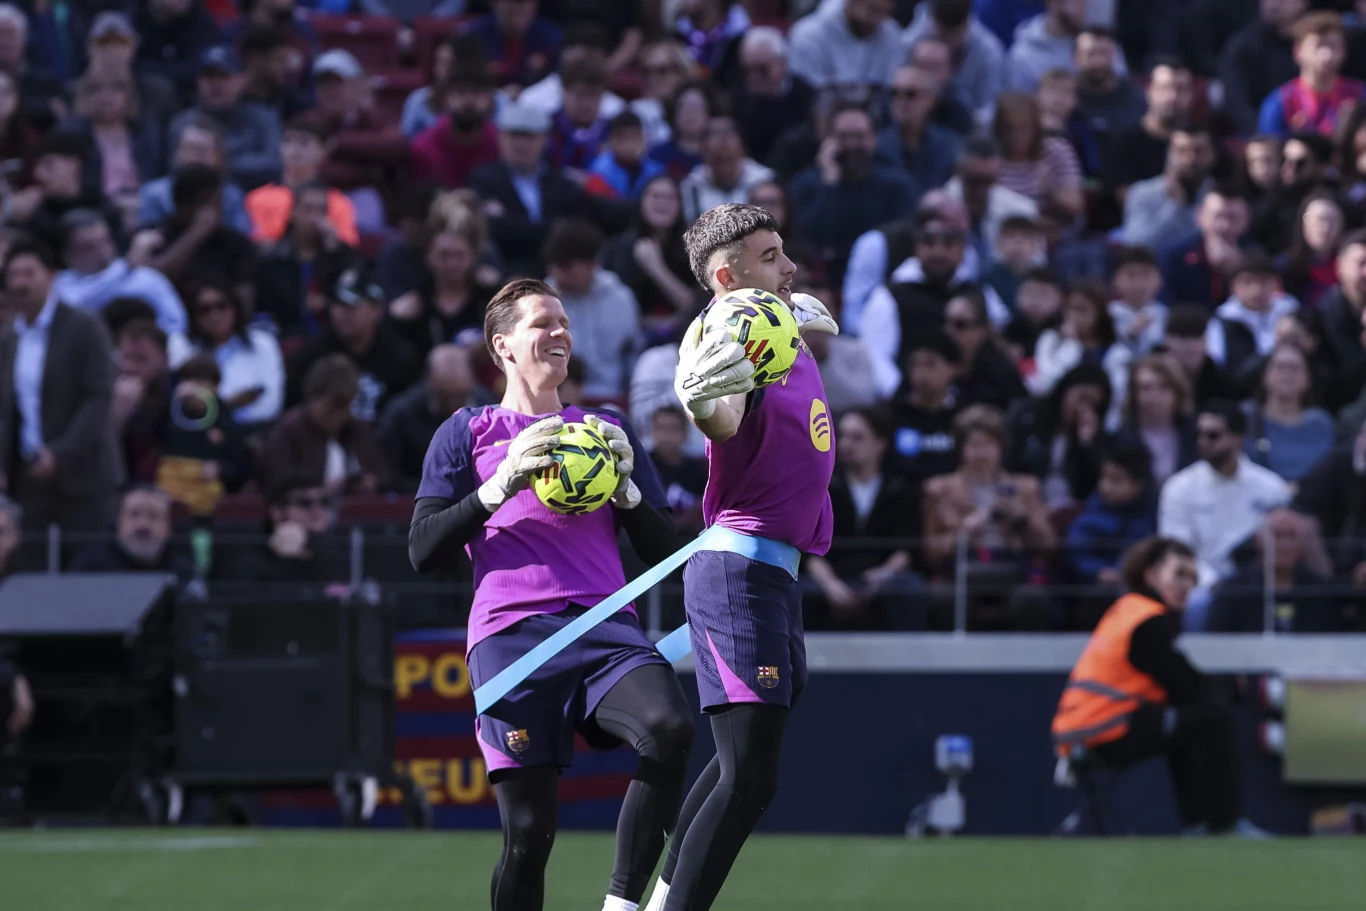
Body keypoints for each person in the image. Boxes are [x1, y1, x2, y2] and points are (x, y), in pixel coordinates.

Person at [408, 277, 693, 911]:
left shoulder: (606, 428)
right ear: (502, 345)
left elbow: (664, 553)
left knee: (669, 729)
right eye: (543, 323)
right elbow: (422, 548)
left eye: (563, 321)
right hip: (512, 640)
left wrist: (629, 492)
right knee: (530, 835)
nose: (560, 332)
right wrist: (499, 484)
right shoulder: (465, 432)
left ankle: (621, 904)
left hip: (605, 629)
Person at [644, 202, 839, 911]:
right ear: (727, 276)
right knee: (749, 774)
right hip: (740, 569)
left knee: (743, 769)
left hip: (772, 574)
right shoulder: (731, 347)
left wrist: (797, 316)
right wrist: (701, 401)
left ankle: (662, 898)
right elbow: (721, 416)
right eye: (771, 257)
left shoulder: (777, 335)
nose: (790, 267)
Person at [1052, 536, 1269, 836]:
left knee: (1185, 723)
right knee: (1214, 717)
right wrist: (1230, 687)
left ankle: (1198, 826)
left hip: (1082, 731)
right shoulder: (1148, 620)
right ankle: (1224, 825)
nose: (1188, 584)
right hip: (1106, 732)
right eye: (1179, 574)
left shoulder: (1127, 610)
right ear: (1151, 575)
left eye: (1192, 577)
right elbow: (1186, 686)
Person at [0, 237, 123, 538]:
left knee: (85, 573)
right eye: (13, 276)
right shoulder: (7, 339)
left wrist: (60, 452)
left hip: (85, 478)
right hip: (29, 479)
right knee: (34, 573)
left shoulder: (84, 326)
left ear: (51, 275)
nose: (20, 284)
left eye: (29, 274)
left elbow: (97, 398)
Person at [922, 404, 1056, 631]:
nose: (981, 453)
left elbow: (1050, 547)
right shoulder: (939, 489)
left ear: (1001, 447)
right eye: (974, 445)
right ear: (962, 449)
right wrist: (962, 535)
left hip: (1013, 572)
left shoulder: (1026, 488)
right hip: (961, 574)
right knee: (943, 600)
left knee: (1033, 600)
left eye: (988, 445)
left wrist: (1022, 520)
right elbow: (928, 553)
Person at [1159, 400, 1292, 619]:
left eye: (1213, 435)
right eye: (1198, 435)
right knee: (1198, 604)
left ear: (1237, 438)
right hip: (1202, 586)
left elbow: (1282, 545)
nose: (1203, 442)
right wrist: (1216, 584)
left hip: (1258, 584)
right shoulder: (1179, 488)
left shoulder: (1271, 487)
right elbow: (1177, 550)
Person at [803, 407, 925, 631]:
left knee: (909, 588)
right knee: (799, 590)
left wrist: (884, 575)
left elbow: (906, 547)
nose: (847, 444)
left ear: (880, 444)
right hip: (831, 577)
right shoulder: (822, 487)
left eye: (857, 437)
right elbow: (808, 549)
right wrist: (830, 584)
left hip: (881, 577)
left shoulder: (900, 488)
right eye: (843, 436)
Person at [287, 265, 421, 422]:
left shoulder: (400, 357)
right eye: (337, 304)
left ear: (376, 309)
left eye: (351, 305)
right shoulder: (311, 357)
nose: (341, 313)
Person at [263, 354, 390, 495]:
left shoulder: (357, 429)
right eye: (335, 405)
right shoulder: (288, 431)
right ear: (313, 397)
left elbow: (385, 475)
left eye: (346, 405)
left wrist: (372, 483)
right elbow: (278, 483)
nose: (342, 414)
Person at [542, 218, 641, 400]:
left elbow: (632, 353)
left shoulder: (620, 299)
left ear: (590, 264)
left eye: (566, 268)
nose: (557, 274)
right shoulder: (543, 301)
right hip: (558, 397)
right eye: (553, 267)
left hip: (612, 396)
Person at [52, 208, 188, 336]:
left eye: (105, 241)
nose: (102, 252)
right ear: (68, 256)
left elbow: (176, 322)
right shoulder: (60, 285)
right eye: (89, 247)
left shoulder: (144, 276)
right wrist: (127, 267)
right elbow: (78, 307)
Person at [170, 279, 285, 428]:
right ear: (194, 315)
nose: (215, 315)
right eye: (204, 310)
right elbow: (182, 402)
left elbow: (270, 404)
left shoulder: (262, 343)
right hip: (198, 431)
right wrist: (231, 404)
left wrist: (215, 408)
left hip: (253, 431)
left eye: (221, 306)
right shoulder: (182, 345)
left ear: (234, 307)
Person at [1064, 443, 1157, 623]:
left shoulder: (1151, 517)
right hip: (1096, 590)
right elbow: (1076, 555)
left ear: (1137, 485)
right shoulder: (1089, 516)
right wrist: (1099, 572)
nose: (1105, 486)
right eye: (1104, 478)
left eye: (1116, 480)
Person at [1207, 508, 1338, 633]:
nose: (1284, 544)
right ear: (1259, 541)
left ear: (1303, 542)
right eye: (1277, 536)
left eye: (1291, 536)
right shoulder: (1234, 590)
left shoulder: (1320, 591)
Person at [245, 117, 359, 246]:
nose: (295, 149)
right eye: (288, 141)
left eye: (304, 142)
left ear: (323, 150)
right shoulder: (257, 198)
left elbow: (348, 247)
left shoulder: (338, 203)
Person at [379, 344, 475, 494]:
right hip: (416, 499)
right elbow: (389, 473)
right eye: (445, 396)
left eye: (460, 395)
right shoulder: (402, 415)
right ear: (429, 381)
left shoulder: (486, 407)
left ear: (471, 381)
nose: (453, 403)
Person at [1257, 11, 1364, 139]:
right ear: (1298, 52)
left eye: (1334, 46)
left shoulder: (1360, 94)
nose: (1327, 55)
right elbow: (1270, 149)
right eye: (1319, 46)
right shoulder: (1281, 102)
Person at [902, 0, 1007, 123]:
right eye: (943, 33)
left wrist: (966, 121)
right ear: (933, 20)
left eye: (954, 35)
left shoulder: (989, 53)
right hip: (917, 120)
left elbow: (991, 105)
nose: (948, 41)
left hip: (967, 124)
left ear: (967, 22)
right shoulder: (910, 43)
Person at [1244, 343, 1334, 483]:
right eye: (1280, 367)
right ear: (1265, 376)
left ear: (1307, 379)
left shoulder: (1321, 424)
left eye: (1294, 368)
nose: (1286, 374)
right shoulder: (1246, 417)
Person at [68, 485, 194, 579]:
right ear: (118, 523)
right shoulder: (88, 569)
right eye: (134, 514)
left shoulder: (185, 575)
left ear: (168, 527)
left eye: (153, 516)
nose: (143, 524)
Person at [888, 330, 962, 484]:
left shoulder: (963, 417)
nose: (921, 373)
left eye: (931, 364)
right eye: (915, 365)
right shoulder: (892, 415)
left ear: (952, 369)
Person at [786, 0, 904, 95]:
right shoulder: (808, 36)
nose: (877, 19)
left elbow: (892, 86)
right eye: (872, 9)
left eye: (884, 12)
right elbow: (806, 94)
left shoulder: (890, 32)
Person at [876, 63, 961, 193]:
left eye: (911, 94)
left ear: (931, 99)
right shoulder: (876, 146)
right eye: (894, 93)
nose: (900, 100)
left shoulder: (951, 147)